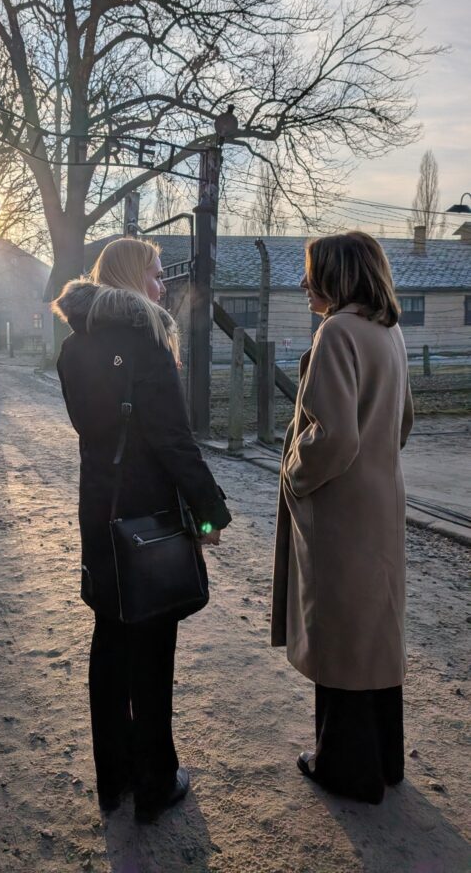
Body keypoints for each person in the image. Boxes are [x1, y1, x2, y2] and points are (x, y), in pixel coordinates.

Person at [53, 238, 228, 823]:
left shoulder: (73, 349)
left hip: (99, 510)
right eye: (155, 276)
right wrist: (210, 510)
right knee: (153, 647)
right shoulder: (150, 344)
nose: (163, 286)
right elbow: (173, 439)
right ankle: (155, 779)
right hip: (148, 513)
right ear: (132, 279)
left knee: (109, 639)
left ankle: (114, 778)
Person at [271, 231, 414, 805]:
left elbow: (331, 438)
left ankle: (346, 768)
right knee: (374, 631)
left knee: (339, 634)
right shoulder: (389, 331)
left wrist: (294, 476)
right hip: (381, 502)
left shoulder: (337, 332)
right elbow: (402, 421)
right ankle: (384, 760)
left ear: (336, 274)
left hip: (339, 510)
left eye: (312, 272)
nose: (304, 283)